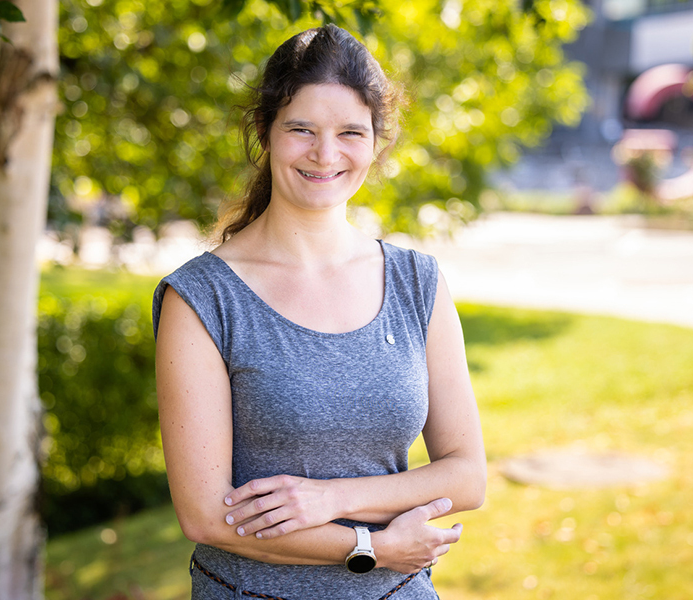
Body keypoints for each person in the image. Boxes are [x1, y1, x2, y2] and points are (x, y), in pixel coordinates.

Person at [153, 24, 486, 600]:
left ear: (376, 143)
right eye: (301, 129)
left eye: (350, 132)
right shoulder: (204, 297)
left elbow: (466, 474)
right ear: (265, 132)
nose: (325, 155)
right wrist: (369, 549)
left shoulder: (416, 282)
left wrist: (334, 498)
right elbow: (205, 516)